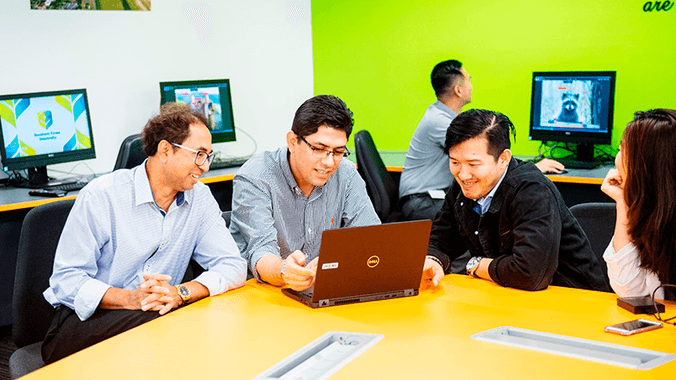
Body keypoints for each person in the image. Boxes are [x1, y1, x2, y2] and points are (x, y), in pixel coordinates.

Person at [41, 103, 247, 363]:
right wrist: (132, 299)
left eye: (209, 156)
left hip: (152, 313)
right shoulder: (102, 196)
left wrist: (181, 292)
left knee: (193, 320)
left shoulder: (200, 198)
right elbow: (66, 280)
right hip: (81, 320)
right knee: (171, 325)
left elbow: (233, 265)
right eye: (199, 154)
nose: (205, 167)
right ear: (165, 150)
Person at [421, 109, 610, 292]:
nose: (463, 174)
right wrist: (433, 260)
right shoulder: (465, 186)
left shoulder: (532, 191)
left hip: (572, 298)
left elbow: (531, 273)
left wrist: (476, 264)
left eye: (473, 164)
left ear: (503, 159)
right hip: (508, 294)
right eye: (454, 162)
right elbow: (440, 239)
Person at [230, 95, 380, 291]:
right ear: (293, 142)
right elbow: (260, 251)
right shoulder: (256, 178)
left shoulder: (346, 173)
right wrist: (285, 270)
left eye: (338, 151)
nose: (329, 162)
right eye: (319, 149)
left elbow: (371, 239)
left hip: (323, 290)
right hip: (266, 294)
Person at [399, 60, 564, 221]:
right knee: (487, 215)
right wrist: (534, 168)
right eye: (469, 80)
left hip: (431, 197)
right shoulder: (440, 122)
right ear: (458, 90)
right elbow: (485, 157)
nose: (471, 86)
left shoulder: (441, 115)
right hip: (421, 202)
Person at [601, 109, 676, 299]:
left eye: (620, 150)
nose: (616, 160)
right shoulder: (651, 213)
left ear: (644, 165)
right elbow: (630, 290)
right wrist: (622, 203)